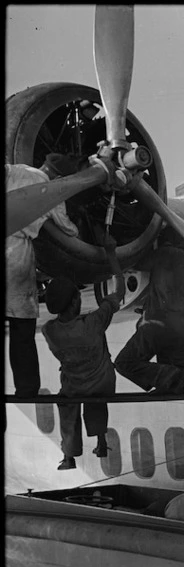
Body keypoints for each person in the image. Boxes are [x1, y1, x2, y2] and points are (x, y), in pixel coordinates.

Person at [41, 235, 126, 470]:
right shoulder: (93, 323)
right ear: (72, 304)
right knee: (97, 394)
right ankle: (100, 440)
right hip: (101, 383)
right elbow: (118, 290)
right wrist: (110, 253)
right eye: (78, 297)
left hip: (74, 386)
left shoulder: (50, 331)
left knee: (66, 402)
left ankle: (69, 455)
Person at [5, 154, 81, 397]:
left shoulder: (16, 169)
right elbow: (67, 228)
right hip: (16, 255)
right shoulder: (52, 189)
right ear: (59, 176)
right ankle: (26, 389)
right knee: (22, 329)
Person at [114, 224, 184, 394]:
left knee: (124, 363)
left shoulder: (166, 254)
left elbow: (137, 262)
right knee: (170, 384)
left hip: (157, 327)